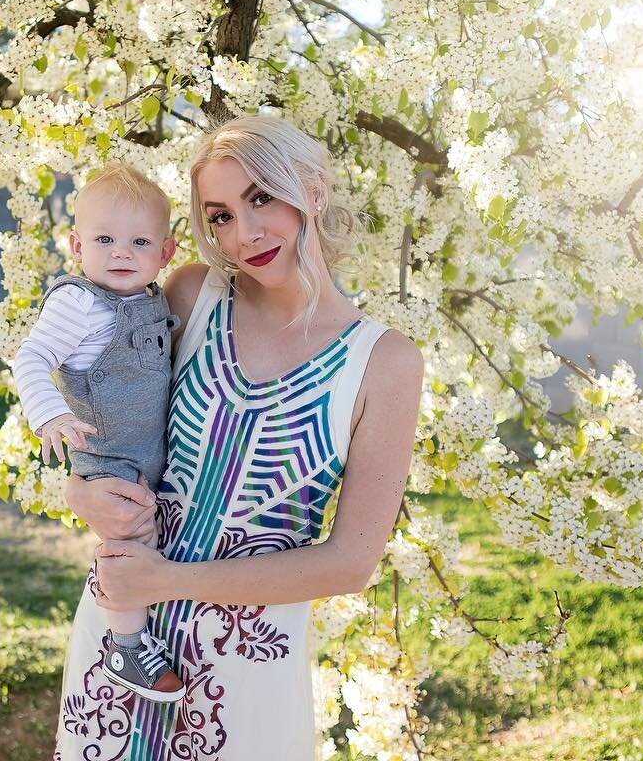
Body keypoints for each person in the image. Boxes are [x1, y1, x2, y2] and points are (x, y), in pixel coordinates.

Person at [54, 116, 425, 760]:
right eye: (219, 214)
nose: (244, 234)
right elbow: (104, 409)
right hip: (121, 635)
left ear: (310, 188)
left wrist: (165, 580)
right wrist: (77, 490)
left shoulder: (384, 362)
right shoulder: (192, 295)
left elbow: (350, 563)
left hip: (243, 668)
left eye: (260, 199)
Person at [12, 163, 186, 702]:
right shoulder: (80, 302)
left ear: (166, 253)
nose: (121, 253)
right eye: (104, 239)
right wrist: (49, 416)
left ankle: (141, 626)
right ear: (76, 245)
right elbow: (32, 356)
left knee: (146, 539)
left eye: (139, 242)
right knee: (128, 540)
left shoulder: (149, 297)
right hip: (108, 454)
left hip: (148, 451)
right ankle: (125, 645)